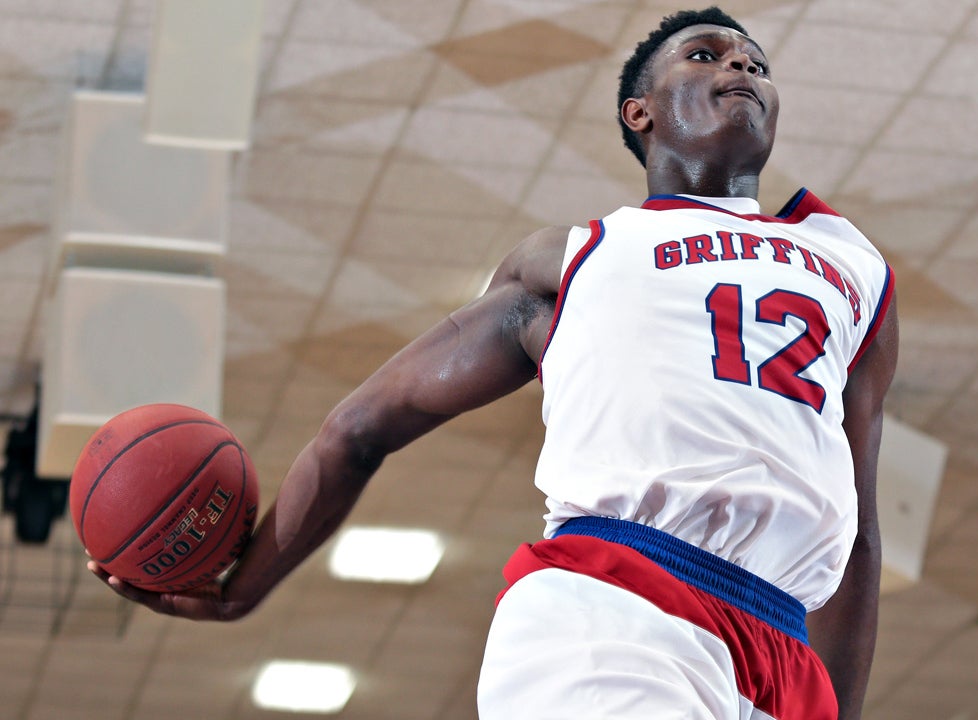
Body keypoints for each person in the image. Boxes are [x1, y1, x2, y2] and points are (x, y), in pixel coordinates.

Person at [90, 7, 898, 719]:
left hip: (781, 653)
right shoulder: (574, 260)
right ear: (639, 111)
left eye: (754, 59)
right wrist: (244, 588)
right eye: (706, 54)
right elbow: (361, 428)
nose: (741, 65)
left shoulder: (851, 264)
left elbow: (858, 531)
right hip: (616, 606)